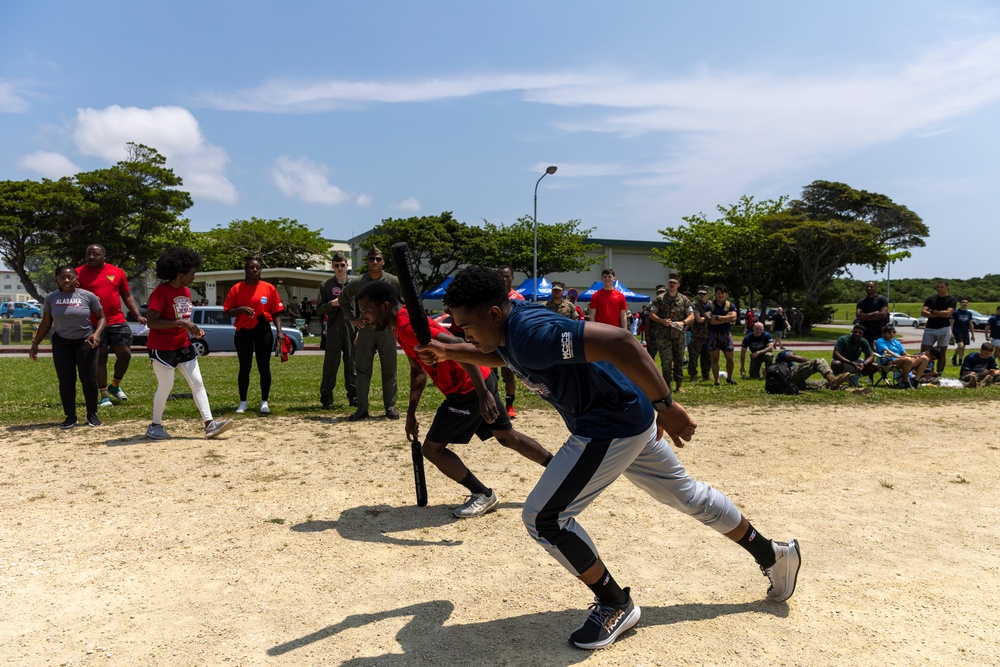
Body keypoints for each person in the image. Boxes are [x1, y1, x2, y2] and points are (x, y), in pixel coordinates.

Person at [417, 266, 800, 650]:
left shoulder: (532, 334)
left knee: (544, 518)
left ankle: (616, 604)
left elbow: (620, 342)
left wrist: (665, 404)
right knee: (688, 495)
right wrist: (448, 349)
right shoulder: (508, 332)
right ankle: (774, 555)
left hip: (609, 424)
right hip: (627, 415)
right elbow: (504, 355)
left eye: (465, 326)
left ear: (494, 314)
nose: (463, 332)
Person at [356, 279, 553, 517]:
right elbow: (418, 371)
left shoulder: (408, 325)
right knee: (506, 436)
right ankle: (559, 470)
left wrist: (482, 395)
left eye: (367, 311)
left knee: (433, 449)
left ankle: (483, 494)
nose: (365, 317)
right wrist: (411, 413)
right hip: (481, 378)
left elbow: (459, 344)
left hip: (469, 389)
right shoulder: (401, 326)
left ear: (385, 306)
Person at [143, 246, 233, 440]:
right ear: (180, 272)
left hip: (183, 344)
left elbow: (183, 318)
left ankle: (210, 424)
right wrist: (181, 323)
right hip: (162, 347)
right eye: (192, 273)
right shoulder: (161, 292)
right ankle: (154, 426)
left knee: (198, 383)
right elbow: (152, 322)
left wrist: (192, 328)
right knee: (166, 386)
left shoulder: (186, 291)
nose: (194, 276)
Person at [29, 265, 106, 428]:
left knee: (89, 378)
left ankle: (92, 415)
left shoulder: (87, 296)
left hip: (85, 340)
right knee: (66, 380)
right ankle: (70, 416)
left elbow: (101, 318)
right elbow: (46, 322)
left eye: (70, 277)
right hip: (62, 342)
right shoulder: (51, 298)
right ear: (57, 279)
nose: (66, 280)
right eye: (62, 277)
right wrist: (35, 343)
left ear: (76, 278)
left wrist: (96, 334)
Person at [76, 244, 147, 408]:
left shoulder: (117, 272)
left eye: (96, 254)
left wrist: (137, 314)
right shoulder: (78, 273)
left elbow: (127, 295)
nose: (91, 257)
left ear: (104, 256)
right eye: (88, 254)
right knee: (100, 358)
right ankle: (104, 395)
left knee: (125, 354)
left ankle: (115, 385)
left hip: (117, 320)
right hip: (92, 323)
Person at [340, 246, 401, 421]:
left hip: (387, 331)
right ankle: (362, 409)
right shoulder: (358, 282)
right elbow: (344, 299)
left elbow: (405, 300)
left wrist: (398, 322)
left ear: (383, 261)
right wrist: (352, 318)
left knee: (390, 370)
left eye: (378, 259)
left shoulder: (393, 281)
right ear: (366, 261)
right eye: (371, 259)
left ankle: (390, 407)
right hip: (366, 329)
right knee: (362, 370)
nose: (375, 262)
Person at [222, 258, 286, 415]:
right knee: (245, 367)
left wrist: (279, 331)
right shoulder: (237, 288)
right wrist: (241, 309)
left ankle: (264, 402)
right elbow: (227, 311)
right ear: (246, 270)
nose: (255, 270)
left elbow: (276, 312)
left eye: (258, 268)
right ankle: (243, 402)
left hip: (263, 330)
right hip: (243, 331)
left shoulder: (269, 288)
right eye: (252, 267)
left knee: (264, 367)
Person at [317, 252, 357, 410]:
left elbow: (362, 309)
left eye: (342, 265)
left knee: (352, 364)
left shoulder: (355, 284)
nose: (339, 268)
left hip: (352, 328)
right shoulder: (325, 285)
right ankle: (326, 399)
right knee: (330, 365)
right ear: (332, 266)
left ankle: (354, 397)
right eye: (336, 265)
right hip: (333, 329)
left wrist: (361, 330)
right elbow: (319, 309)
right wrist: (332, 303)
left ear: (347, 265)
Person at [648, 275, 693, 393]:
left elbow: (691, 315)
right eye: (670, 282)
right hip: (664, 336)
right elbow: (652, 313)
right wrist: (661, 320)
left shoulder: (684, 299)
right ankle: (667, 386)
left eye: (674, 282)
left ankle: (679, 385)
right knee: (666, 361)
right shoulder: (660, 299)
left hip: (678, 335)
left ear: (678, 285)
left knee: (679, 360)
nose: (671, 284)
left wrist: (683, 322)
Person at [499, 265, 526, 418]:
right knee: (489, 376)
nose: (503, 279)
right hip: (491, 342)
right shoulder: (491, 297)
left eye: (506, 276)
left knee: (509, 376)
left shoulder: (518, 298)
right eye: (501, 276)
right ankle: (493, 405)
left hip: (508, 343)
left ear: (512, 278)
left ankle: (510, 406)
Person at [874, 325, 929, 389]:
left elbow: (904, 353)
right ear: (884, 333)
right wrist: (898, 357)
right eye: (889, 332)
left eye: (893, 332)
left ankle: (915, 381)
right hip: (889, 361)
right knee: (907, 360)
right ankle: (905, 381)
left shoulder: (896, 342)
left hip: (903, 360)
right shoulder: (880, 341)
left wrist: (913, 356)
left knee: (925, 358)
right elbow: (887, 351)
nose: (891, 334)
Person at [920, 281, 957, 373]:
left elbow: (948, 314)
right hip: (930, 328)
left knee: (941, 353)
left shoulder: (951, 300)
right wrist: (940, 314)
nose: (939, 289)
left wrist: (932, 311)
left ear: (947, 287)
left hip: (944, 328)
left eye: (942, 287)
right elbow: (923, 312)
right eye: (938, 287)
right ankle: (924, 372)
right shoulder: (930, 299)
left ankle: (938, 374)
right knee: (925, 351)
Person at [706, 285, 739, 386]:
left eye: (722, 293)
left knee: (730, 358)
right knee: (715, 358)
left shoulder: (730, 305)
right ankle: (717, 380)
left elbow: (733, 318)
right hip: (713, 334)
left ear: (726, 295)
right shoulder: (709, 305)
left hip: (726, 334)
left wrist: (718, 317)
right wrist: (725, 319)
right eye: (718, 293)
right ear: (715, 294)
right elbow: (710, 321)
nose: (720, 295)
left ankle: (729, 378)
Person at [773, 350, 852, 391]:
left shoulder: (790, 364)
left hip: (793, 384)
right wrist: (811, 363)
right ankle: (832, 379)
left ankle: (850, 390)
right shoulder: (783, 354)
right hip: (789, 377)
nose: (794, 354)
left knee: (824, 384)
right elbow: (798, 358)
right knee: (819, 361)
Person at [687, 286, 711, 382]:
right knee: (693, 356)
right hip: (697, 335)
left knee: (707, 357)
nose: (702, 295)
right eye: (700, 294)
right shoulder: (695, 304)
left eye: (704, 294)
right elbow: (698, 319)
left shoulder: (711, 305)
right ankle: (693, 375)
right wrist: (712, 318)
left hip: (708, 335)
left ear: (708, 294)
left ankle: (706, 374)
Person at [855, 281, 889, 348]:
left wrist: (865, 317)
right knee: (867, 351)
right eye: (867, 286)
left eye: (871, 286)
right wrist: (872, 314)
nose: (869, 288)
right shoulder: (861, 301)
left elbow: (883, 314)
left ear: (875, 288)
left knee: (878, 350)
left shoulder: (882, 299)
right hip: (865, 330)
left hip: (879, 330)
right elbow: (858, 316)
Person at [950, 299, 975, 367]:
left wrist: (972, 334)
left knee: (963, 347)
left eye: (966, 303)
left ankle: (960, 361)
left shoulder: (969, 313)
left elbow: (970, 324)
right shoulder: (956, 312)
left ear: (968, 304)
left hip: (965, 331)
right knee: (961, 345)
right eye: (963, 302)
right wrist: (951, 332)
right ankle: (954, 357)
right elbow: (951, 323)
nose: (964, 304)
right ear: (960, 303)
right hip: (957, 331)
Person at [645, 285, 666, 362]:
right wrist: (647, 335)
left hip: (665, 335)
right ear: (656, 293)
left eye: (662, 292)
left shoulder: (669, 304)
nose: (661, 294)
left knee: (666, 358)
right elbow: (647, 321)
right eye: (659, 292)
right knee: (650, 358)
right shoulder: (651, 304)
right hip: (653, 335)